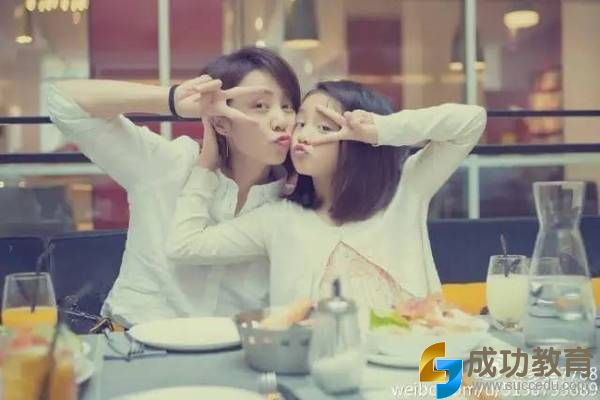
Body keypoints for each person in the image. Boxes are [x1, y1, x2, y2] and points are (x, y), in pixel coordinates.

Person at [166, 80, 487, 313]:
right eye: (301, 123)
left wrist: (380, 129)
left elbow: (471, 121)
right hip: (318, 374)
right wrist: (207, 163)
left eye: (324, 128)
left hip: (420, 365)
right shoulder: (278, 219)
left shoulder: (406, 190)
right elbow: (184, 245)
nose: (303, 135)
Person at [47, 47, 301, 327]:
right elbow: (63, 101)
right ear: (220, 121)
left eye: (287, 106)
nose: (281, 121)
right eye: (260, 106)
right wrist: (172, 99)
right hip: (133, 340)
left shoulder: (293, 203)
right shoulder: (169, 163)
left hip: (234, 347)